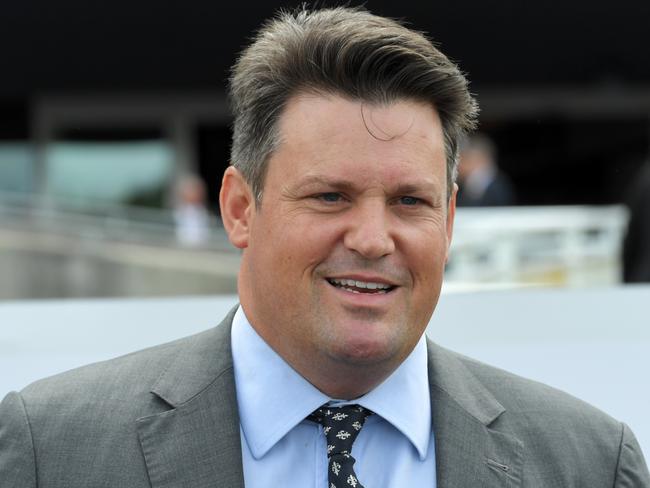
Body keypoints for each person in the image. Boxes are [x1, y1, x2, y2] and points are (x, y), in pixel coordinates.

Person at [1, 6, 648, 487]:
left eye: (410, 202)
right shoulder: (50, 451)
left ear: (450, 220)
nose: (372, 240)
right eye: (330, 196)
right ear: (239, 209)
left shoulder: (588, 462)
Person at [456, 133, 516, 206]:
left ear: (482, 160)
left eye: (466, 159)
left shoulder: (498, 186)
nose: (460, 165)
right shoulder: (465, 185)